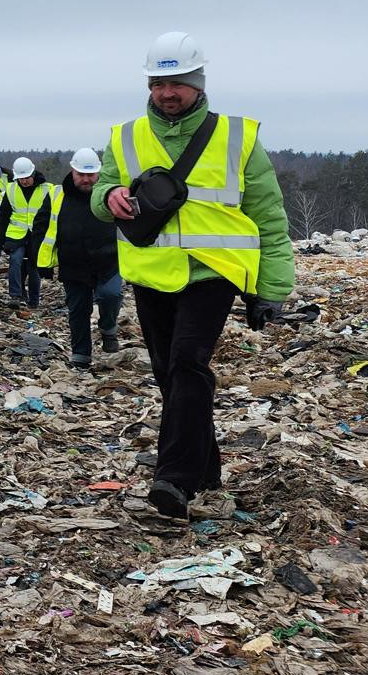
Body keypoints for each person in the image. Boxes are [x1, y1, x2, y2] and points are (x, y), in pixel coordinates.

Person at [93, 32, 294, 518]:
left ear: (198, 82)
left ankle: (174, 480)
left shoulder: (238, 136)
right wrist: (111, 197)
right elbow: (101, 194)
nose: (168, 92)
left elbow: (269, 214)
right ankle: (206, 468)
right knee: (168, 371)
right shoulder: (125, 136)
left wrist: (271, 288)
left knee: (187, 361)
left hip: (215, 271)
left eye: (178, 82)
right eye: (159, 82)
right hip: (152, 272)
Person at [48, 147, 121, 370]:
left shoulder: (110, 195)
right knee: (78, 309)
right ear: (72, 171)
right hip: (73, 264)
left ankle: (108, 328)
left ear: (99, 173)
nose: (86, 179)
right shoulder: (57, 195)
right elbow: (43, 228)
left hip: (109, 261)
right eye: (82, 174)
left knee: (111, 295)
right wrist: (41, 261)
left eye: (91, 175)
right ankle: (81, 355)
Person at [0, 156, 53, 311]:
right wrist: (0, 239)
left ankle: (33, 301)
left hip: (38, 234)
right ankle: (15, 296)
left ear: (33, 174)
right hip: (17, 234)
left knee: (33, 267)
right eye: (21, 178)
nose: (23, 181)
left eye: (26, 178)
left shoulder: (47, 189)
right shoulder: (11, 189)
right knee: (15, 261)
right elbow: (3, 215)